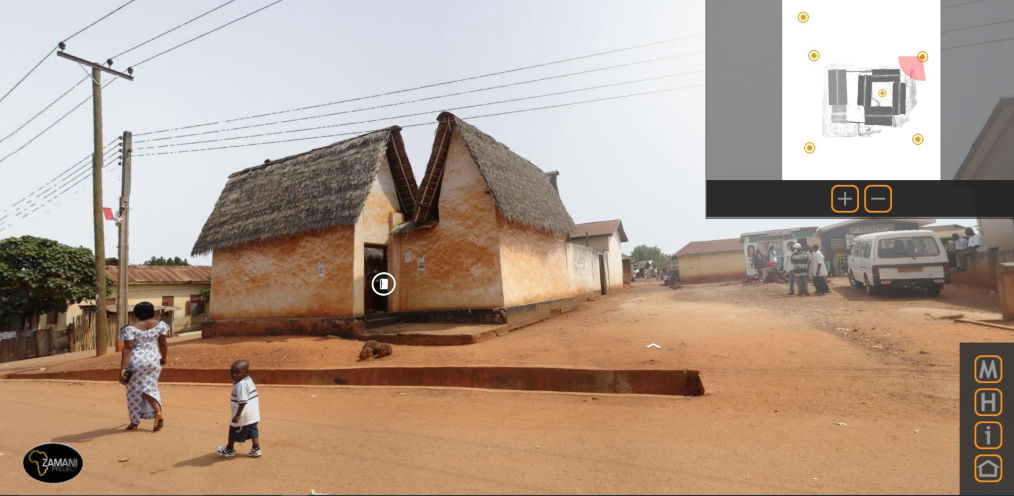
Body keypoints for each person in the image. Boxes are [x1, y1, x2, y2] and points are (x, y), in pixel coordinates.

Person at [118, 301, 168, 431]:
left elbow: (128, 348)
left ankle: (134, 422)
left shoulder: (130, 328)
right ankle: (158, 411)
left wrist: (123, 368)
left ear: (136, 314)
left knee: (134, 392)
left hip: (136, 361)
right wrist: (164, 357)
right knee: (150, 387)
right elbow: (163, 343)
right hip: (153, 360)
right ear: (153, 312)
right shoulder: (160, 325)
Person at [217, 360, 262, 458]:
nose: (234, 375)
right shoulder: (248, 379)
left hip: (243, 414)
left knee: (233, 430)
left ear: (246, 372)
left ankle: (229, 449)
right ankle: (256, 448)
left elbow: (242, 402)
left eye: (237, 372)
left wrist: (237, 415)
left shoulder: (241, 385)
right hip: (253, 413)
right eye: (232, 372)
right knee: (253, 429)